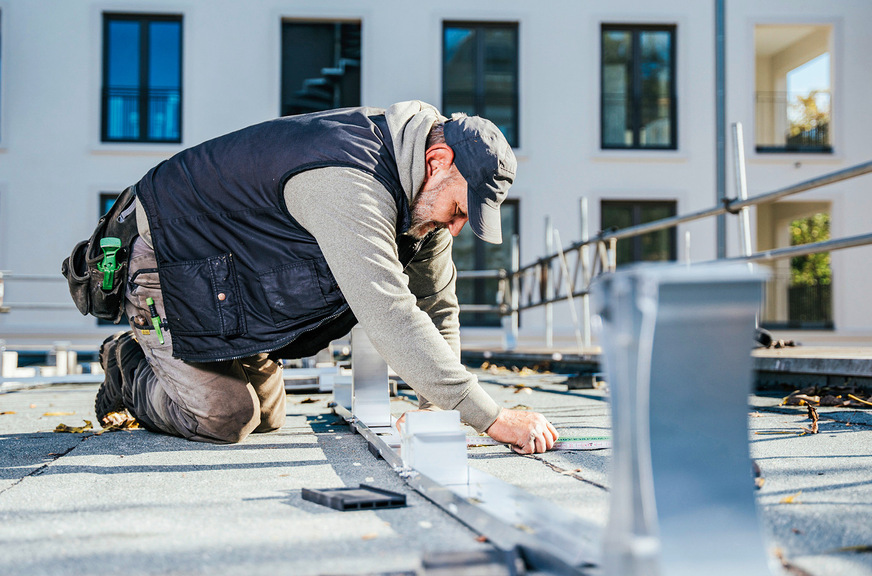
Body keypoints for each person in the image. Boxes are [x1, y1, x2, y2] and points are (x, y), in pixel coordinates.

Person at [95, 100, 559, 454]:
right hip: (167, 255)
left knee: (269, 416)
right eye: (459, 210)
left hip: (227, 275)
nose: (457, 227)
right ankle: (127, 364)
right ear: (438, 160)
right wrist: (492, 419)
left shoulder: (423, 200)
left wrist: (435, 411)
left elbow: (436, 305)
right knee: (225, 418)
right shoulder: (348, 180)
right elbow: (389, 313)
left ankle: (178, 366)